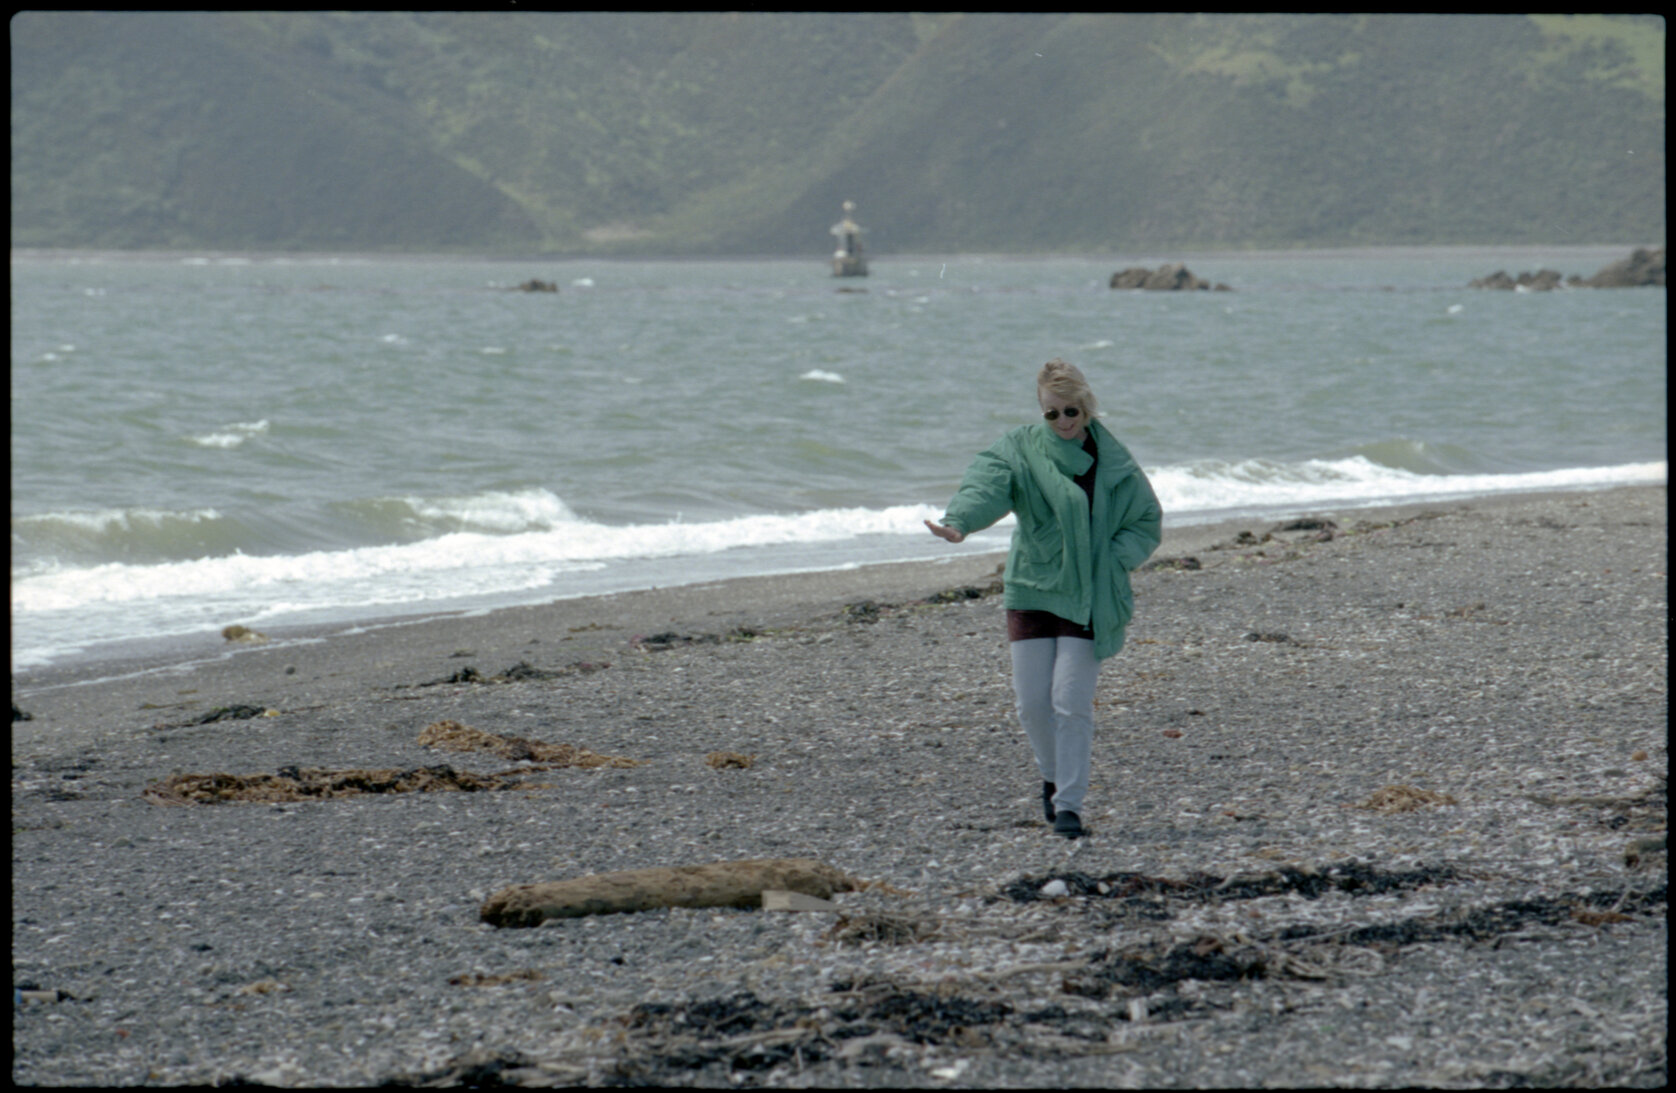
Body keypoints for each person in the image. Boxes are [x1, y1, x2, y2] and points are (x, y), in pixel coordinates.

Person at [925, 359, 1161, 838]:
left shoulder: (1114, 461)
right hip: (1031, 587)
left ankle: (1070, 805)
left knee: (1069, 701)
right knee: (1033, 705)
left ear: (1086, 406)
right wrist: (958, 523)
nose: (1063, 422)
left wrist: (1112, 558)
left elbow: (1146, 521)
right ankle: (1052, 778)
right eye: (1051, 413)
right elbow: (986, 484)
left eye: (1070, 411)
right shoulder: (1020, 449)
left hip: (1088, 592)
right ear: (1041, 411)